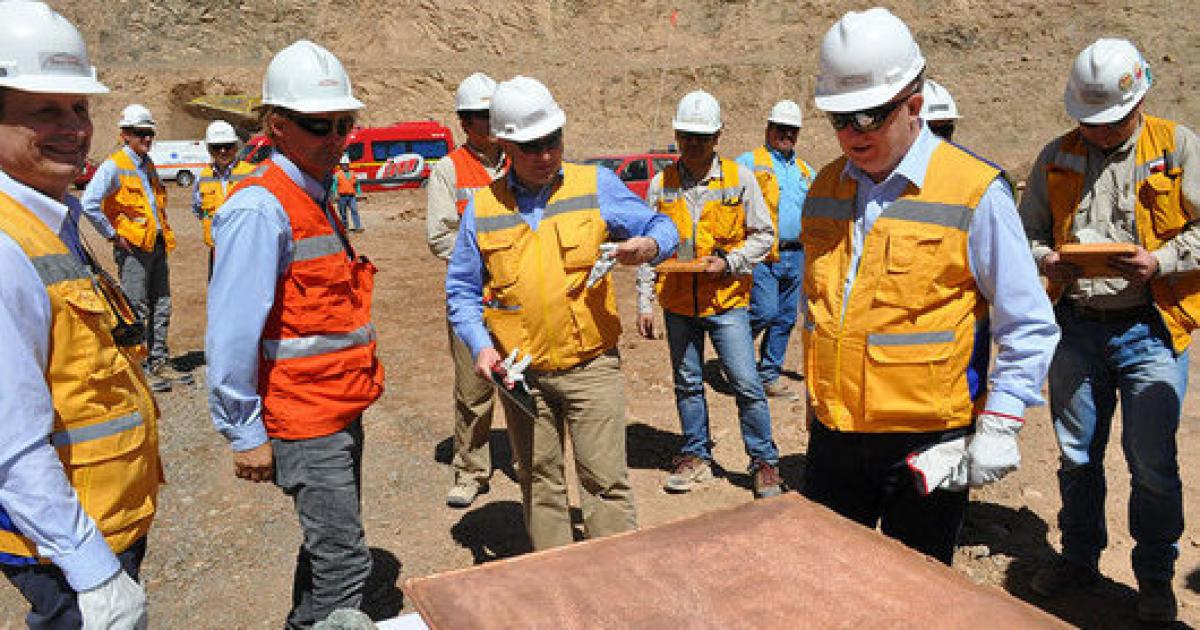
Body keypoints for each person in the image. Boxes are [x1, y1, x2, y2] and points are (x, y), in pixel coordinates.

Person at [800, 8, 1059, 565]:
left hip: (927, 443)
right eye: (838, 118)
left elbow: (1028, 321)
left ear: (914, 105)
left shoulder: (974, 191)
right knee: (826, 580)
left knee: (914, 592)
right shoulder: (823, 187)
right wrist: (813, 404)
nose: (851, 134)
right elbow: (818, 309)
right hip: (835, 438)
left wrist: (1001, 421)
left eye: (868, 117)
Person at [446, 75, 678, 550]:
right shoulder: (483, 208)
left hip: (591, 367)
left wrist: (648, 245)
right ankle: (556, 578)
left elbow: (663, 225)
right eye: (531, 146)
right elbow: (462, 291)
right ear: (505, 145)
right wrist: (481, 347)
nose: (546, 154)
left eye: (553, 140)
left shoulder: (596, 185)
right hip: (523, 375)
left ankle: (615, 575)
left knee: (605, 481)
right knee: (539, 481)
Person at [1019, 38, 1200, 624]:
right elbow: (1027, 233)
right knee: (1077, 456)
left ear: (1139, 101)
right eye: (1088, 122)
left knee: (1152, 464)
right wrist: (1048, 261)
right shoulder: (1056, 156)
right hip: (1076, 328)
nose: (1098, 132)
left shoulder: (1177, 147)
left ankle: (1155, 579)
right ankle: (1078, 560)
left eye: (1110, 121)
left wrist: (1161, 262)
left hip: (1151, 328)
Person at [206, 40, 384, 628]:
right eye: (318, 125)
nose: (336, 138)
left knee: (327, 547)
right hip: (304, 418)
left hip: (338, 406)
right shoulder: (260, 209)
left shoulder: (316, 194)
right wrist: (243, 431)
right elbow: (231, 331)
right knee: (343, 561)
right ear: (277, 125)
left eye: (343, 124)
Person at [0, 2, 162, 626]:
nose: (74, 128)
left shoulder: (55, 218)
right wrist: (93, 572)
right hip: (64, 551)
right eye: (45, 111)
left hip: (100, 520)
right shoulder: (7, 245)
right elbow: (11, 441)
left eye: (79, 108)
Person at [635, 90, 782, 499]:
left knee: (746, 383)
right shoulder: (661, 184)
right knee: (687, 383)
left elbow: (764, 235)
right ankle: (696, 455)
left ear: (718, 136)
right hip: (678, 303)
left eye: (702, 136)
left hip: (727, 303)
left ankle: (764, 462)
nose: (693, 143)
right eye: (687, 136)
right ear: (676, 136)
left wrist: (731, 262)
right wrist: (644, 301)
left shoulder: (740, 179)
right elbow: (649, 247)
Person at [426, 72, 509, 508]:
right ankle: (471, 469)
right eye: (482, 116)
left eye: (495, 114)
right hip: (473, 297)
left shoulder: (521, 158)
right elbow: (440, 236)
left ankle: (533, 462)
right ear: (464, 122)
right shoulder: (448, 169)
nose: (491, 124)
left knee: (527, 381)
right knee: (473, 390)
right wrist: (485, 258)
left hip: (520, 294)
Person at [80, 102, 186, 393]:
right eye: (140, 133)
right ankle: (138, 369)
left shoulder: (147, 164)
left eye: (150, 133)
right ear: (125, 134)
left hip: (156, 243)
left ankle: (159, 360)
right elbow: (89, 203)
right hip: (132, 249)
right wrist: (112, 235)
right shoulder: (114, 165)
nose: (147, 138)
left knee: (161, 304)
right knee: (135, 306)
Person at [735, 99, 815, 401]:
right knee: (765, 311)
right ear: (768, 129)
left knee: (785, 317)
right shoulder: (749, 162)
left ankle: (769, 375)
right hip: (762, 252)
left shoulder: (806, 171)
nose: (787, 134)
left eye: (792, 130)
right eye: (781, 128)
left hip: (797, 253)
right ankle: (735, 356)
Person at [193, 119, 254, 279]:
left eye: (227, 146)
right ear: (209, 149)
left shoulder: (252, 173)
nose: (222, 151)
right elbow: (199, 210)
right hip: (217, 251)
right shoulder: (202, 177)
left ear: (235, 147)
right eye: (217, 147)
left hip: (247, 250)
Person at [333, 155, 362, 232]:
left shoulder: (353, 173)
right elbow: (334, 185)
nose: (345, 166)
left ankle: (358, 227)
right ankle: (345, 227)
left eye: (346, 165)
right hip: (341, 196)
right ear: (341, 166)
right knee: (343, 213)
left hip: (351, 196)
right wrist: (335, 194)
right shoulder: (337, 174)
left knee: (354, 210)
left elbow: (357, 184)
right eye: (343, 165)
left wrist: (359, 192)